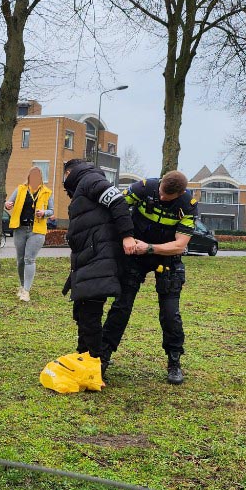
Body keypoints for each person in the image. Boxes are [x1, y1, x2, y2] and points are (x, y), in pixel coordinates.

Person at [100, 171, 197, 385]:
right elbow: (116, 206)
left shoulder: (188, 204)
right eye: (161, 192)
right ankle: (103, 357)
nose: (162, 198)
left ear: (180, 193)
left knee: (170, 313)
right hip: (135, 254)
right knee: (121, 306)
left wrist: (150, 248)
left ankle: (174, 362)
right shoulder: (144, 187)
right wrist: (126, 236)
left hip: (165, 257)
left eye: (167, 197)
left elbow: (180, 245)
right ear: (160, 182)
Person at [61, 159, 137, 381]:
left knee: (89, 313)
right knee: (83, 311)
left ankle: (94, 364)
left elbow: (118, 202)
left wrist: (127, 236)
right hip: (89, 258)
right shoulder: (85, 186)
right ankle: (83, 357)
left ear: (69, 172)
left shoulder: (90, 180)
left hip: (98, 258)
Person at [4, 166, 55, 302]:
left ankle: (26, 290)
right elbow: (9, 203)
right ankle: (22, 286)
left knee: (29, 259)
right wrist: (8, 205)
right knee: (20, 260)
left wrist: (44, 213)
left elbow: (51, 211)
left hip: (36, 230)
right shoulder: (20, 189)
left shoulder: (47, 192)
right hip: (20, 228)